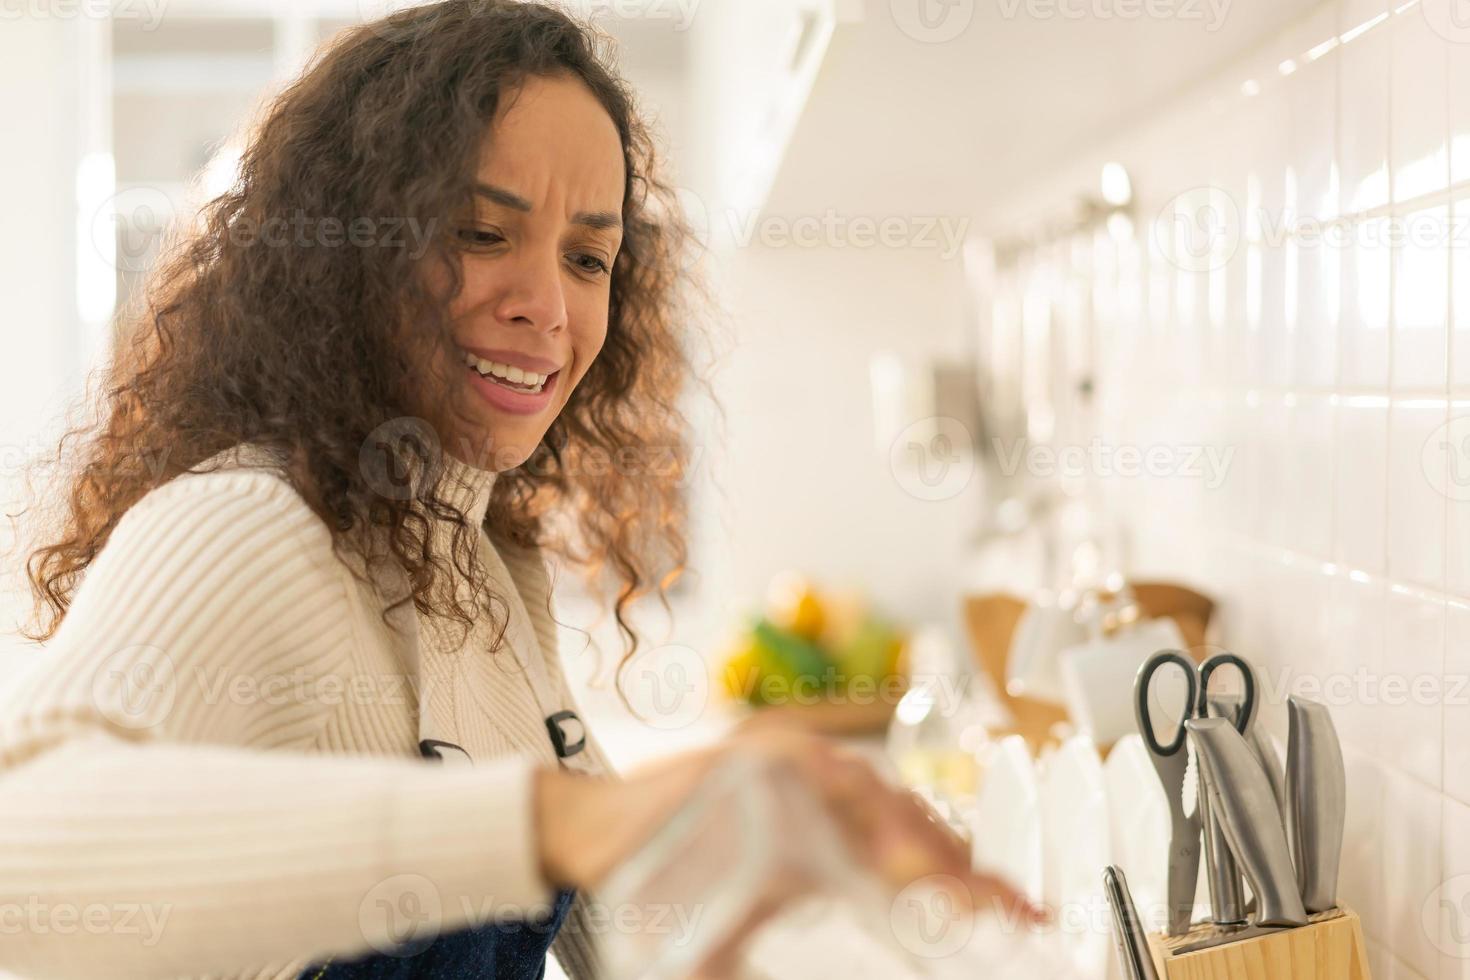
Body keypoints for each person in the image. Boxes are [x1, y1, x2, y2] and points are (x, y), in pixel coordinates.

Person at [2, 3, 1040, 977]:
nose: (547, 306)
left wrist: (825, 876)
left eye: (589, 256)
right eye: (482, 232)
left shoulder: (490, 567)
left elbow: (631, 918)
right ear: (348, 255)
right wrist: (555, 823)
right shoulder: (247, 522)